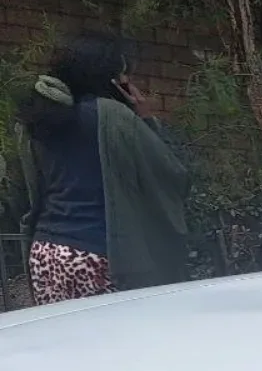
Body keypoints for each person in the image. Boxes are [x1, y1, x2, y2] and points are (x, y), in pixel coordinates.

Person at [13, 33, 189, 306]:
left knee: (64, 344)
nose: (127, 82)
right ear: (107, 77)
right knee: (113, 343)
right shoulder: (113, 116)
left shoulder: (40, 119)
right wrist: (146, 119)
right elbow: (170, 171)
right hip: (99, 253)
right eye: (122, 75)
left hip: (46, 253)